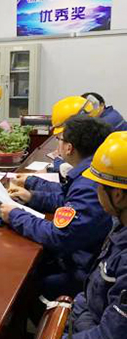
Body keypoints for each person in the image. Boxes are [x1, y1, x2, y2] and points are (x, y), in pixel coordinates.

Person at [1, 115, 113, 299]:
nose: (58, 144)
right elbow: (67, 199)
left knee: (27, 283)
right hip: (86, 255)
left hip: (85, 271)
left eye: (60, 139)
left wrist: (15, 216)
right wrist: (32, 197)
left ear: (69, 148)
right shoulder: (90, 171)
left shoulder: (89, 182)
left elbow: (60, 236)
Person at [62, 131, 127, 338]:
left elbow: (109, 335)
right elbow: (92, 293)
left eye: (98, 186)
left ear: (118, 195)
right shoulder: (120, 225)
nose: (95, 191)